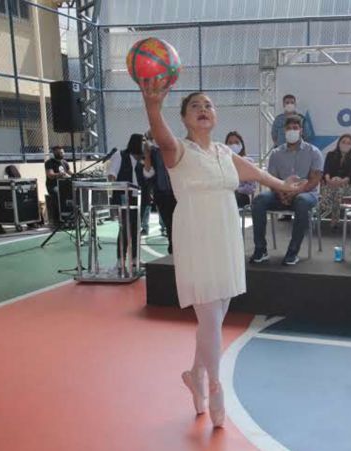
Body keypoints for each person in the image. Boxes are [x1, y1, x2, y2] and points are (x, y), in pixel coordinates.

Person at [141, 82, 297, 427]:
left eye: (208, 105)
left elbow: (256, 173)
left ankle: (195, 374)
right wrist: (153, 106)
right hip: (197, 235)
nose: (203, 109)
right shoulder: (177, 150)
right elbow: (161, 137)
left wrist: (285, 186)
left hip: (226, 235)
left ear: (215, 115)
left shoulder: (225, 154)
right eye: (195, 105)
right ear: (184, 117)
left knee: (215, 316)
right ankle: (214, 385)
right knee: (210, 318)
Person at [250, 116, 324, 266]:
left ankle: (292, 252)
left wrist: (294, 193)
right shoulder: (276, 153)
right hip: (280, 193)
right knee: (259, 200)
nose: (292, 131)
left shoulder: (314, 152)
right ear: (284, 131)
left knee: (302, 201)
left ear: (301, 131)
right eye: (289, 128)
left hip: (305, 194)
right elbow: (272, 179)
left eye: (295, 128)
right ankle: (260, 249)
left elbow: (314, 180)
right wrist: (280, 193)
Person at [107, 133, 155, 274]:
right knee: (125, 230)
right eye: (143, 142)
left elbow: (149, 175)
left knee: (136, 230)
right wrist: (115, 192)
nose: (145, 145)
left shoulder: (144, 160)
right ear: (135, 143)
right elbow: (112, 175)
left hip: (140, 199)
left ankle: (135, 260)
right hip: (124, 199)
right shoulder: (120, 155)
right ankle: (120, 261)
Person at [317, 134, 351, 230]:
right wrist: (329, 180)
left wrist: (340, 181)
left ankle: (324, 207)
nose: (345, 144)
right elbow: (326, 171)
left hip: (346, 186)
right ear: (339, 143)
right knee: (336, 191)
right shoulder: (330, 155)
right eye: (343, 142)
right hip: (330, 184)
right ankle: (334, 219)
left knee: (338, 190)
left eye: (348, 143)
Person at [145, 129, 176, 255]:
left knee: (179, 225)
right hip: (162, 194)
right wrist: (147, 153)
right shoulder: (151, 152)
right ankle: (172, 251)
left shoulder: (172, 148)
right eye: (152, 138)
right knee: (169, 225)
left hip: (177, 193)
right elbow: (147, 173)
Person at [225, 131, 257, 209]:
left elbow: (251, 187)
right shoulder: (222, 161)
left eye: (236, 142)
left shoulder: (248, 162)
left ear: (241, 145)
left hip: (241, 196)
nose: (233, 145)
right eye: (230, 143)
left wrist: (237, 189)